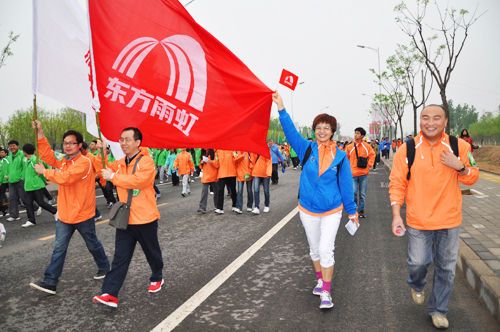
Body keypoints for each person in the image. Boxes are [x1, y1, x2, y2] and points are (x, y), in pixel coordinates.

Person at [389, 104, 479, 329]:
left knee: (446, 268)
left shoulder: (460, 145)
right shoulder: (407, 148)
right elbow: (397, 183)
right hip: (418, 220)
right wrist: (396, 215)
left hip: (449, 220)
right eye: (425, 118)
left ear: (446, 121)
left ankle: (439, 310)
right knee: (419, 263)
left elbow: (473, 177)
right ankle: (417, 285)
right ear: (420, 121)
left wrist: (461, 168)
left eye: (436, 118)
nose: (430, 122)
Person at [273, 91, 358, 309]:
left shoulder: (340, 156)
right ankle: (320, 280)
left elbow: (347, 186)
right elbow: (291, 133)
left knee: (326, 249)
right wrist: (281, 108)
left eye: (326, 128)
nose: (322, 131)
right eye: (318, 128)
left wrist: (352, 210)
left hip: (332, 209)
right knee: (314, 249)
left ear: (332, 131)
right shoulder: (306, 148)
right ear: (314, 130)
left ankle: (326, 293)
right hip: (307, 210)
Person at [29, 120, 110, 295]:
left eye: (72, 143)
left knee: (92, 244)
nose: (68, 146)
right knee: (59, 247)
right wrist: (40, 132)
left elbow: (66, 178)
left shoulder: (85, 162)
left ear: (80, 145)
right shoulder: (65, 161)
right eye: (65, 143)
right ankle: (50, 282)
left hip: (83, 214)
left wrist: (45, 172)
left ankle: (105, 266)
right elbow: (47, 155)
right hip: (65, 214)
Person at [93, 127, 164, 308]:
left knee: (152, 253)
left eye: (127, 139)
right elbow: (103, 168)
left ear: (138, 142)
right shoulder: (120, 162)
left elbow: (140, 181)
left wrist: (114, 177)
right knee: (120, 257)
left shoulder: (146, 161)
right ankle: (110, 293)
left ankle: (157, 275)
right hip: (125, 219)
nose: (123, 143)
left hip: (145, 219)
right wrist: (102, 151)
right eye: (121, 140)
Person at [20, 144, 57, 228]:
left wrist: (45, 180)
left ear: (25, 152)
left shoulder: (35, 160)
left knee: (41, 202)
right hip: (28, 185)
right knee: (28, 203)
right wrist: (23, 177)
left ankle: (55, 212)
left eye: (23, 151)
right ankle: (31, 220)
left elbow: (44, 169)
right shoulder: (26, 160)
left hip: (36, 185)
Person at [346, 127, 375, 218]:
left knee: (362, 194)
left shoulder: (367, 146)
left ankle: (361, 210)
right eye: (355, 133)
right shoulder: (349, 147)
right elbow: (345, 159)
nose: (355, 135)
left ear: (362, 135)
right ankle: (354, 210)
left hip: (363, 174)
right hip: (353, 174)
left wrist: (369, 165)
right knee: (353, 192)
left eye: (358, 133)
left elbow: (372, 155)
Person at [5, 140, 26, 222]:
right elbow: (8, 167)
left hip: (20, 180)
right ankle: (14, 215)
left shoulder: (22, 154)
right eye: (10, 146)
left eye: (13, 145)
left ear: (17, 146)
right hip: (11, 180)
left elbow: (24, 167)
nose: (12, 147)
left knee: (24, 198)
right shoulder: (9, 156)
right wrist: (7, 175)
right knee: (12, 198)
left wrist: (22, 177)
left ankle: (36, 207)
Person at [214, 149, 237, 214]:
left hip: (231, 173)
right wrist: (210, 161)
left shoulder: (232, 150)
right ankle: (220, 208)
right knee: (220, 191)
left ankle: (234, 205)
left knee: (233, 190)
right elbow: (216, 164)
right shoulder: (217, 151)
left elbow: (236, 159)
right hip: (222, 174)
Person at [198, 149, 219, 214]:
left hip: (214, 176)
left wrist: (209, 161)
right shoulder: (202, 154)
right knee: (204, 192)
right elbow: (200, 166)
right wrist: (201, 163)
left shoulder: (215, 153)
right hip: (206, 176)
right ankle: (202, 208)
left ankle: (217, 206)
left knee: (216, 192)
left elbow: (217, 165)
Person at [0, 148, 9, 216]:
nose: (1, 154)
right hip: (3, 181)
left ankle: (35, 207)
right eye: (0, 152)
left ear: (6, 153)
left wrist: (9, 176)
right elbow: (1, 172)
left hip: (10, 180)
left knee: (18, 195)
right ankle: (4, 208)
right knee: (1, 194)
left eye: (2, 152)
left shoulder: (9, 159)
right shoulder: (1, 161)